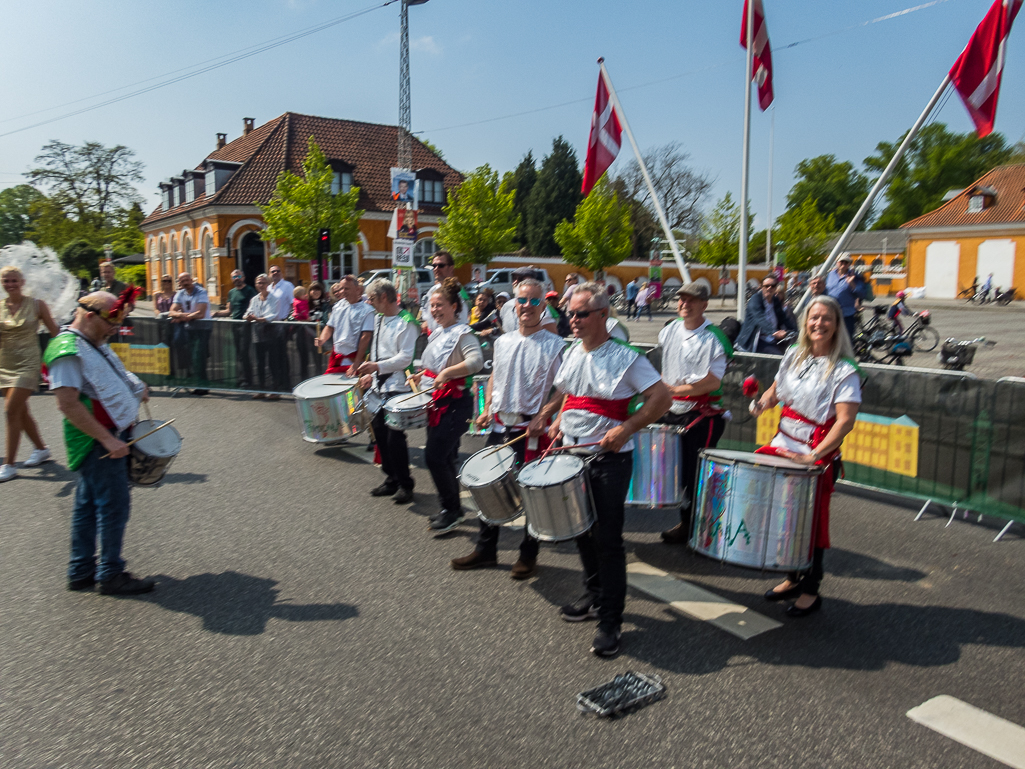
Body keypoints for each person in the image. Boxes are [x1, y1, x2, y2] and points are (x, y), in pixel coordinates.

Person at [536, 282, 671, 657]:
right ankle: (594, 596)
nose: (573, 320)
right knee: (580, 531)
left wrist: (627, 428)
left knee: (607, 539)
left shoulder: (628, 357)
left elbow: (662, 398)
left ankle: (611, 619)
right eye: (570, 313)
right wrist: (552, 417)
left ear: (603, 315)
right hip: (571, 454)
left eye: (580, 314)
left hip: (610, 459)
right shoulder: (572, 352)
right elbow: (569, 393)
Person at [750, 295, 862, 617]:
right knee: (782, 518)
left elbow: (845, 421)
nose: (819, 323)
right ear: (805, 322)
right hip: (783, 445)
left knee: (810, 525)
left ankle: (811, 589)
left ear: (837, 325)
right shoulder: (793, 355)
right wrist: (761, 404)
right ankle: (791, 577)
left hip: (814, 454)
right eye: (814, 317)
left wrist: (814, 455)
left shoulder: (844, 370)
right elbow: (775, 392)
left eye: (826, 318)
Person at [451, 278, 566, 577]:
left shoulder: (555, 345)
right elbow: (494, 379)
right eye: (522, 301)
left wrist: (548, 415)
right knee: (486, 485)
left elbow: (565, 388)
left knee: (531, 493)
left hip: (531, 430)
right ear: (514, 304)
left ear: (543, 306)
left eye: (533, 301)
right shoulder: (503, 341)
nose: (526, 306)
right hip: (500, 426)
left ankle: (528, 555)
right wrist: (487, 408)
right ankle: (486, 549)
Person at [44, 289, 155, 595]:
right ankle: (110, 574)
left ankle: (80, 570)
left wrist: (136, 386)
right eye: (111, 322)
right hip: (96, 440)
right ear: (89, 316)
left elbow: (112, 373)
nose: (114, 329)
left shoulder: (91, 341)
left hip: (107, 436)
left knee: (88, 505)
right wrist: (107, 440)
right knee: (114, 505)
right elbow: (67, 403)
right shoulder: (67, 349)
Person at [656, 283, 733, 544]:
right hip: (671, 410)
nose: (684, 304)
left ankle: (701, 528)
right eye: (681, 299)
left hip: (701, 415)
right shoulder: (668, 331)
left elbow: (713, 381)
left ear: (704, 305)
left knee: (697, 475)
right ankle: (686, 523)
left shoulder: (714, 339)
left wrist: (676, 389)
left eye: (691, 300)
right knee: (676, 471)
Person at [407, 278, 484, 535]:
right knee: (446, 457)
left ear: (454, 306)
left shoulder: (463, 333)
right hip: (438, 402)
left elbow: (476, 362)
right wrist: (422, 376)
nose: (435, 310)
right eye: (432, 305)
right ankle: (452, 508)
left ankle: (452, 510)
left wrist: (448, 372)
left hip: (456, 404)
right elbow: (434, 368)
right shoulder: (439, 332)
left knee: (434, 456)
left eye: (440, 305)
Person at [357, 279, 421, 505]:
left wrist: (377, 367)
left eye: (372, 299)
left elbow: (405, 357)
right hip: (378, 383)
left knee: (395, 437)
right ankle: (391, 478)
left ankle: (405, 483)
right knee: (379, 434)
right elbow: (377, 353)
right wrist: (370, 373)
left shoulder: (407, 321)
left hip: (399, 384)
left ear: (384, 297)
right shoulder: (379, 318)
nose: (370, 303)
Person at [0, 266, 60, 482]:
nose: (10, 284)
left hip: (28, 363)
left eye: (14, 280)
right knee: (20, 412)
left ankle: (9, 464)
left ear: (22, 282)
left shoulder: (37, 305)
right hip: (5, 364)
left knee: (9, 411)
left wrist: (58, 359)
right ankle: (41, 449)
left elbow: (55, 333)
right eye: (6, 281)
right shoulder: (0, 307)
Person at [317, 276, 374, 376]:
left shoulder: (367, 310)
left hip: (355, 359)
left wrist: (356, 364)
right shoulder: (338, 306)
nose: (343, 291)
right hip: (337, 357)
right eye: (341, 288)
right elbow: (330, 327)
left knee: (351, 391)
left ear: (357, 289)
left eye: (346, 288)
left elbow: (366, 337)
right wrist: (322, 339)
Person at [213, 270, 258, 389]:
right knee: (239, 353)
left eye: (238, 276)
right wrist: (215, 313)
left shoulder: (250, 290)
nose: (236, 278)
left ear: (243, 277)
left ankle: (247, 380)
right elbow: (229, 311)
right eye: (234, 277)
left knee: (244, 352)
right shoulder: (231, 292)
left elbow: (254, 307)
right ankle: (242, 378)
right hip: (235, 325)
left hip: (246, 325)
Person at [168, 272, 211, 394]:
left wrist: (182, 317)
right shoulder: (180, 294)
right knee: (193, 356)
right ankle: (199, 383)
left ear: (191, 280)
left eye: (187, 280)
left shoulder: (201, 292)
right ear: (179, 283)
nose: (185, 282)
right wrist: (183, 315)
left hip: (203, 327)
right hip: (189, 327)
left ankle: (203, 386)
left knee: (199, 356)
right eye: (182, 281)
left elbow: (200, 313)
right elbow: (172, 311)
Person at [736, 275, 797, 354]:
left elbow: (783, 317)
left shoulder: (775, 301)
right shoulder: (755, 300)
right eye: (766, 286)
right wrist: (773, 332)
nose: (769, 288)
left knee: (790, 353)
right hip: (756, 339)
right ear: (761, 287)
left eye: (773, 286)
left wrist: (794, 330)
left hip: (773, 339)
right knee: (777, 356)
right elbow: (759, 318)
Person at [244, 274, 281, 399]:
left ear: (268, 284)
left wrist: (257, 318)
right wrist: (248, 317)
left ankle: (275, 390)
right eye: (259, 283)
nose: (261, 285)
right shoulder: (254, 299)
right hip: (257, 332)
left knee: (273, 362)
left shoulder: (274, 298)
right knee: (259, 362)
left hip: (270, 332)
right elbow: (248, 312)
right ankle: (261, 389)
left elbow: (271, 315)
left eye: (263, 283)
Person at [421, 251, 469, 334]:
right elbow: (425, 316)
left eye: (441, 265)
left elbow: (463, 320)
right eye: (434, 266)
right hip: (434, 338)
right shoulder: (432, 291)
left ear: (451, 268)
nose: (436, 269)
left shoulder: (458, 291)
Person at [501, 267, 558, 334]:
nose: (515, 282)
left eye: (520, 279)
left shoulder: (539, 307)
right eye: (514, 278)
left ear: (531, 281)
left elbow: (552, 334)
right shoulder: (506, 306)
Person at [825, 255, 866, 340]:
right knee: (830, 338)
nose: (843, 264)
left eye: (846, 262)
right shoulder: (830, 274)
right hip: (831, 313)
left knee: (846, 340)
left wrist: (852, 284)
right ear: (837, 263)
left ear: (849, 264)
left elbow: (862, 294)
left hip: (846, 314)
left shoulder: (855, 276)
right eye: (841, 262)